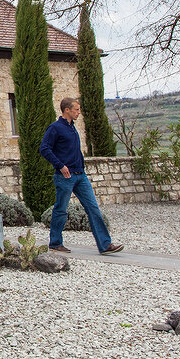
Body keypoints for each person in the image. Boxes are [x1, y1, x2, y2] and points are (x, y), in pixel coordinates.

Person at [39, 97, 123, 255]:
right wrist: (60, 165)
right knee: (61, 210)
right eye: (76, 110)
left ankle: (105, 245)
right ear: (67, 110)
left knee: (93, 208)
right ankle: (55, 243)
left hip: (80, 175)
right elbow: (44, 149)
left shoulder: (72, 128)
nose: (79, 112)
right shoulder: (55, 128)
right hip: (65, 176)